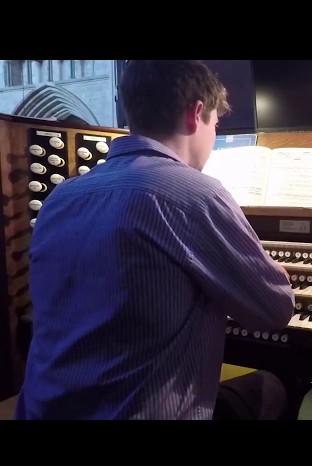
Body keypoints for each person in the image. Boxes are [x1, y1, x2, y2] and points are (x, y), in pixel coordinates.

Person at [15, 60, 295, 420]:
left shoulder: (61, 197)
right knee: (280, 384)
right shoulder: (195, 194)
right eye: (215, 124)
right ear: (196, 114)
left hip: (45, 411)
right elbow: (274, 310)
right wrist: (272, 275)